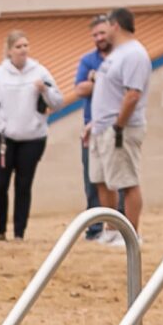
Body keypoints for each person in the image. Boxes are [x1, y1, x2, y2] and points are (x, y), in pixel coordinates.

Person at [0, 30, 57, 242]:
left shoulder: (40, 72)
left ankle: (19, 232)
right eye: (19, 47)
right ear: (9, 51)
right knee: (0, 184)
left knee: (23, 185)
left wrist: (45, 91)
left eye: (26, 46)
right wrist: (2, 127)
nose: (23, 50)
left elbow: (57, 101)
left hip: (32, 138)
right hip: (4, 139)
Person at [86, 8, 152, 246]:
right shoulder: (116, 54)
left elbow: (132, 94)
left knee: (127, 180)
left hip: (120, 129)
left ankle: (131, 235)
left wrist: (118, 126)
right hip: (101, 128)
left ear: (115, 25)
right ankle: (111, 230)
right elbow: (109, 94)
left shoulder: (134, 54)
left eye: (107, 25)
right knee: (103, 179)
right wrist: (94, 124)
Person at [68, 13, 112, 239]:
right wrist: (96, 81)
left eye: (102, 33)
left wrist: (98, 80)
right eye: (95, 34)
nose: (99, 38)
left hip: (114, 126)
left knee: (117, 179)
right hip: (90, 128)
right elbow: (79, 90)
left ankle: (120, 227)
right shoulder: (88, 60)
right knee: (93, 179)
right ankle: (95, 228)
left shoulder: (121, 57)